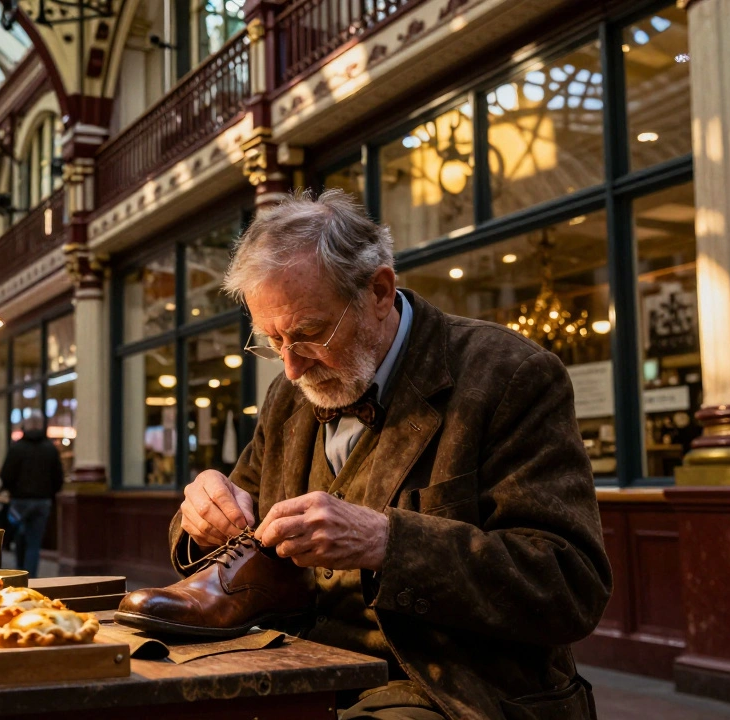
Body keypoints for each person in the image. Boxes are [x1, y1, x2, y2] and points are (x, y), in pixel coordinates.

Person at [141, 191, 611, 719]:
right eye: (272, 342)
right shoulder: (288, 396)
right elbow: (234, 517)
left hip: (452, 690)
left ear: (380, 291)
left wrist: (388, 542)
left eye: (310, 333)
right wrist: (199, 515)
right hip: (301, 668)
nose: (292, 369)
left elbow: (570, 587)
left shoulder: (508, 375)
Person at [0, 413, 63, 578]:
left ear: (25, 427)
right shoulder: (50, 449)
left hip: (19, 502)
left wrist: (12, 490)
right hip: (42, 502)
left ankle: (19, 572)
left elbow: (6, 475)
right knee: (34, 542)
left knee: (19, 538)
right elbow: (58, 477)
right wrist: (50, 493)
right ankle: (31, 577)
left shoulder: (17, 448)